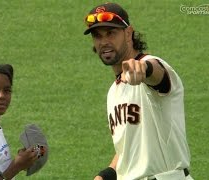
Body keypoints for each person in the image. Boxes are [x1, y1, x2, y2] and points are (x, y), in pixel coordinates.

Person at [83, 2, 193, 180]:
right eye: (97, 36)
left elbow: (158, 75)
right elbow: (129, 149)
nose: (104, 42)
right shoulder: (114, 92)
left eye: (111, 33)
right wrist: (105, 175)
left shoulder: (152, 63)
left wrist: (144, 69)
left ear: (128, 33)